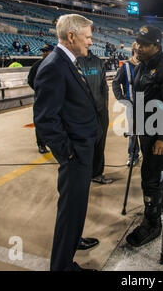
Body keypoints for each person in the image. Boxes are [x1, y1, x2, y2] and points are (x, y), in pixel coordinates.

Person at [34, 14, 102, 271]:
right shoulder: (54, 65)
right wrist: (68, 154)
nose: (91, 41)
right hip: (75, 154)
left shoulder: (67, 61)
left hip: (82, 150)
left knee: (76, 209)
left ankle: (74, 240)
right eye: (87, 36)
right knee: (70, 212)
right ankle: (62, 266)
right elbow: (45, 119)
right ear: (71, 36)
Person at [125, 25, 163, 247]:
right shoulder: (142, 66)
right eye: (138, 42)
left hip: (161, 132)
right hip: (146, 128)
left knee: (151, 175)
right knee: (155, 172)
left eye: (144, 44)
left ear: (156, 46)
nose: (138, 47)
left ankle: (152, 224)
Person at [76, 50, 113, 185]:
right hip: (82, 112)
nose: (90, 41)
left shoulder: (98, 62)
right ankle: (82, 173)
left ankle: (97, 173)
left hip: (100, 111)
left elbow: (104, 86)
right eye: (87, 38)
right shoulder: (73, 61)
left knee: (99, 143)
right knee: (84, 144)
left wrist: (105, 107)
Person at [112, 42, 140, 166]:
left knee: (147, 132)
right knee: (133, 132)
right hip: (132, 105)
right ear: (134, 50)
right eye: (140, 49)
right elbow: (115, 83)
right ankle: (133, 155)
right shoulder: (126, 66)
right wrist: (122, 99)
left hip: (148, 106)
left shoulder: (147, 65)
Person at [27, 44, 54, 154]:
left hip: (56, 97)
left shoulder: (57, 64)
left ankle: (53, 143)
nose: (44, 53)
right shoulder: (37, 66)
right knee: (41, 122)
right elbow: (30, 80)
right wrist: (40, 91)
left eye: (46, 51)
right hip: (41, 98)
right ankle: (41, 144)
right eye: (43, 51)